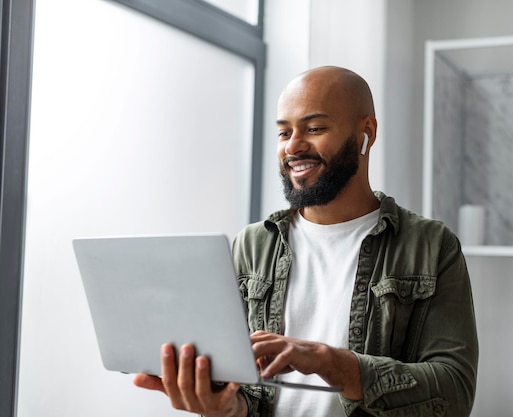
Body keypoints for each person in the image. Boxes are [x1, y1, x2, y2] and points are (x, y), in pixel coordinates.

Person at [134, 66, 478, 417]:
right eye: (284, 133)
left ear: (367, 132)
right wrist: (223, 407)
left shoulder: (432, 246)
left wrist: (332, 363)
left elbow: (455, 392)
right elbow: (242, 393)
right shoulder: (251, 246)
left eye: (314, 129)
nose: (294, 146)